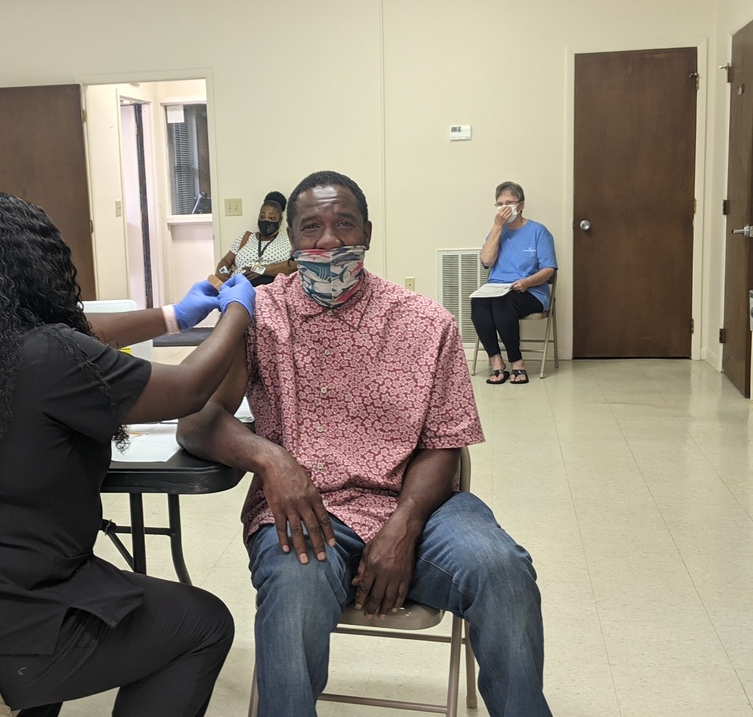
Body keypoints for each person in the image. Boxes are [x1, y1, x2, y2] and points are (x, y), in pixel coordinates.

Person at [0, 191, 256, 717]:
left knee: (82, 603)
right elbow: (186, 389)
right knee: (200, 624)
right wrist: (236, 312)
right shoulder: (48, 357)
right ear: (35, 268)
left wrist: (173, 316)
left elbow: (79, 337)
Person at [178, 171, 551, 717]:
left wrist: (404, 524)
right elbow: (198, 422)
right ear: (291, 238)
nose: (327, 240)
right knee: (294, 592)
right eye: (311, 227)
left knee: (503, 569)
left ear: (368, 233)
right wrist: (271, 457)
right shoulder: (259, 315)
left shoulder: (425, 323)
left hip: (419, 508)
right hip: (306, 514)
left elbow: (444, 442)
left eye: (343, 224)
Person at [471, 181, 557, 385]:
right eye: (499, 204)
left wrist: (527, 282)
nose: (504, 207)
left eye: (509, 202)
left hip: (532, 291)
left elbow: (548, 269)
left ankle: (517, 363)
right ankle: (496, 362)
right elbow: (487, 261)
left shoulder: (538, 231)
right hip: (497, 288)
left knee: (503, 304)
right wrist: (497, 227)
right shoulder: (497, 232)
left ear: (521, 205)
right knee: (479, 304)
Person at [214, 190, 295, 286]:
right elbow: (226, 261)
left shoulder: (288, 240)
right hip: (238, 286)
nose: (266, 221)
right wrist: (221, 273)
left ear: (280, 220)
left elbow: (294, 265)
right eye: (262, 216)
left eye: (272, 218)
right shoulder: (246, 237)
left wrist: (261, 270)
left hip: (273, 288)